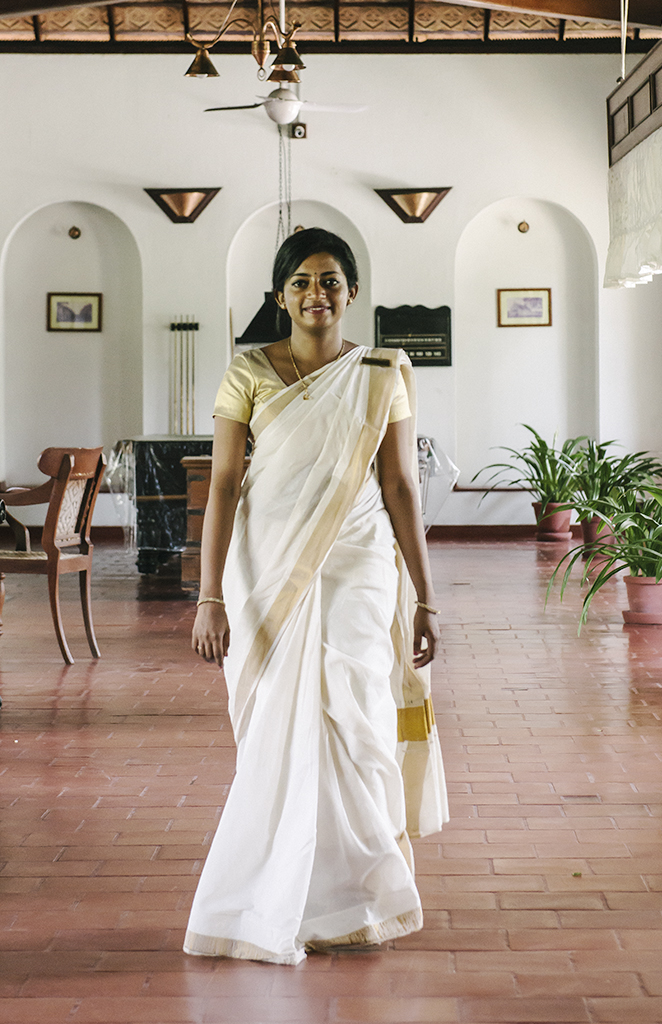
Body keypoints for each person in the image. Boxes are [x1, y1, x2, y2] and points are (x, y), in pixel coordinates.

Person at [183, 227, 448, 966]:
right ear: (279, 296)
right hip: (267, 567)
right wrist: (210, 596)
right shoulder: (246, 371)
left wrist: (425, 596)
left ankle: (355, 897)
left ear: (351, 294)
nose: (315, 294)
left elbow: (399, 486)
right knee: (278, 727)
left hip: (360, 560)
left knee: (357, 716)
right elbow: (227, 484)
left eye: (330, 281)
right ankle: (275, 895)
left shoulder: (380, 371)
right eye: (300, 282)